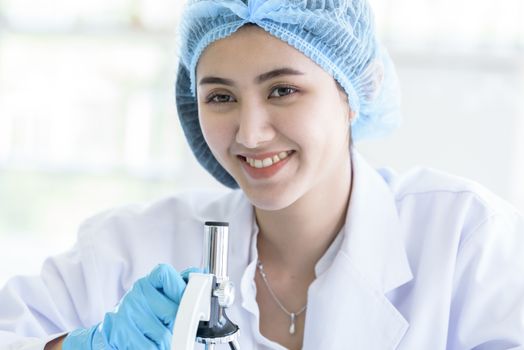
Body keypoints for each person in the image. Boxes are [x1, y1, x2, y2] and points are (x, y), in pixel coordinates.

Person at [1, 0, 524, 349]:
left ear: (353, 91)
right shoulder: (128, 245)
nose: (249, 134)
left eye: (282, 90)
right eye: (221, 97)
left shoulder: (466, 240)